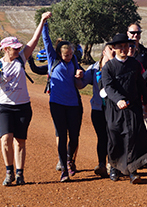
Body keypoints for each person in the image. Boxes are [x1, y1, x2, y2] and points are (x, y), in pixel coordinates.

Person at [0, 12, 51, 186]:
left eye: (19, 48)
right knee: (6, 139)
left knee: (20, 141)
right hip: (3, 107)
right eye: (15, 48)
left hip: (23, 107)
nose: (18, 50)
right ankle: (9, 171)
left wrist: (41, 21)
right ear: (6, 49)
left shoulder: (22, 58)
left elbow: (33, 40)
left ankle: (20, 174)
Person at [101, 33, 147, 184]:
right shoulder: (108, 68)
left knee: (133, 137)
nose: (124, 49)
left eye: (126, 46)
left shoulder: (134, 64)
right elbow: (108, 87)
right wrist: (118, 100)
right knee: (115, 137)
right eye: (120, 47)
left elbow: (141, 85)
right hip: (115, 109)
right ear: (113, 48)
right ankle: (114, 168)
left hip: (133, 108)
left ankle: (133, 170)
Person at [42, 17, 85, 182]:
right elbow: (46, 40)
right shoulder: (53, 60)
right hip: (57, 103)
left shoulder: (74, 60)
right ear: (59, 53)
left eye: (71, 54)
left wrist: (80, 73)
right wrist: (44, 22)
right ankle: (64, 170)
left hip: (74, 103)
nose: (69, 56)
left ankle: (69, 159)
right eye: (66, 54)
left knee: (74, 137)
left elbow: (80, 73)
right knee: (62, 135)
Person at [77, 43, 116, 178]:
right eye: (110, 48)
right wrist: (78, 76)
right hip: (98, 109)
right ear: (104, 51)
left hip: (114, 110)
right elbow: (81, 85)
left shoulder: (117, 67)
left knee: (113, 137)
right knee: (102, 137)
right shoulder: (94, 69)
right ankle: (102, 164)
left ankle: (112, 165)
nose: (114, 51)